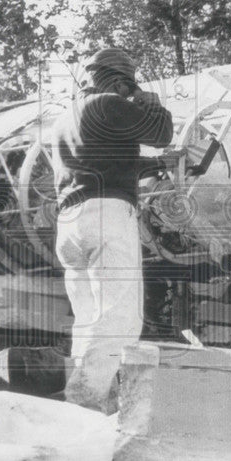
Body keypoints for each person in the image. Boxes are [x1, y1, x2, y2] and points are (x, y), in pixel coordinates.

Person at [50, 48, 173, 413]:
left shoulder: (66, 118)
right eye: (127, 86)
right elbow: (162, 131)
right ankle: (82, 402)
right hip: (106, 216)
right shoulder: (108, 102)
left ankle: (88, 406)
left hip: (70, 224)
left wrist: (154, 165)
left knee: (89, 321)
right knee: (120, 319)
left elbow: (100, 161)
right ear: (119, 81)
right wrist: (150, 103)